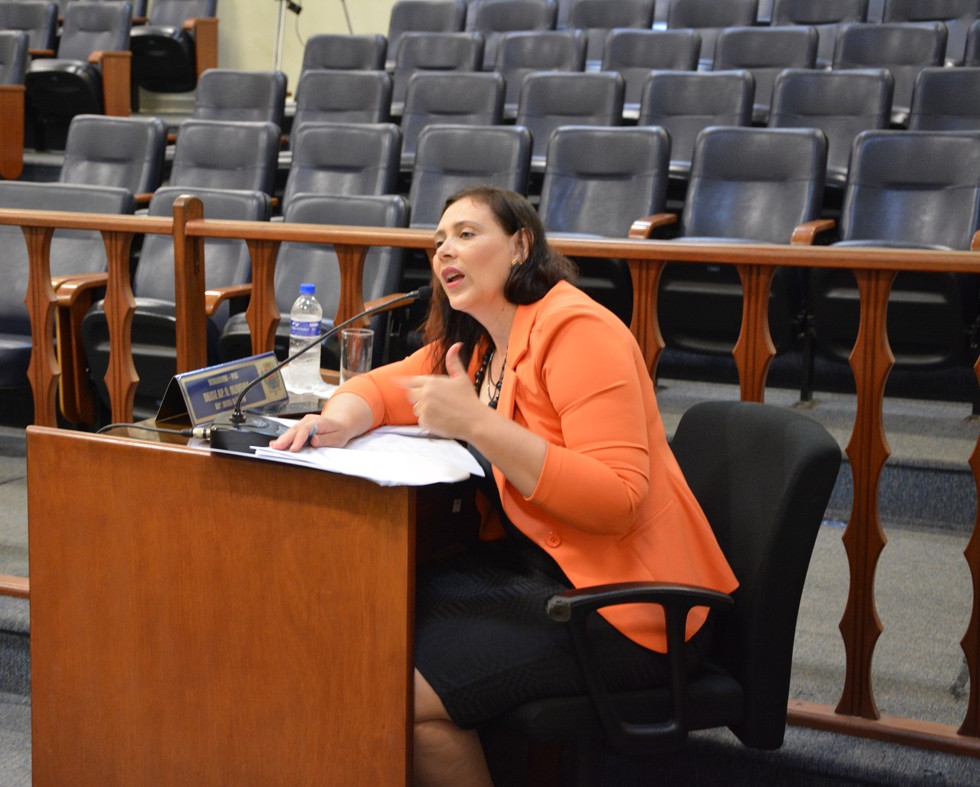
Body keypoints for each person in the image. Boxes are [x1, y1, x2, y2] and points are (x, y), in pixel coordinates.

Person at [270, 186, 738, 785]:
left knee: (393, 695)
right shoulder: (483, 344)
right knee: (367, 615)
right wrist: (338, 419)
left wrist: (479, 425)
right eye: (438, 242)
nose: (445, 251)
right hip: (543, 574)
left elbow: (616, 499)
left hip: (632, 608)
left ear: (520, 246)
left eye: (466, 235)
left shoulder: (577, 332)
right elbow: (382, 388)